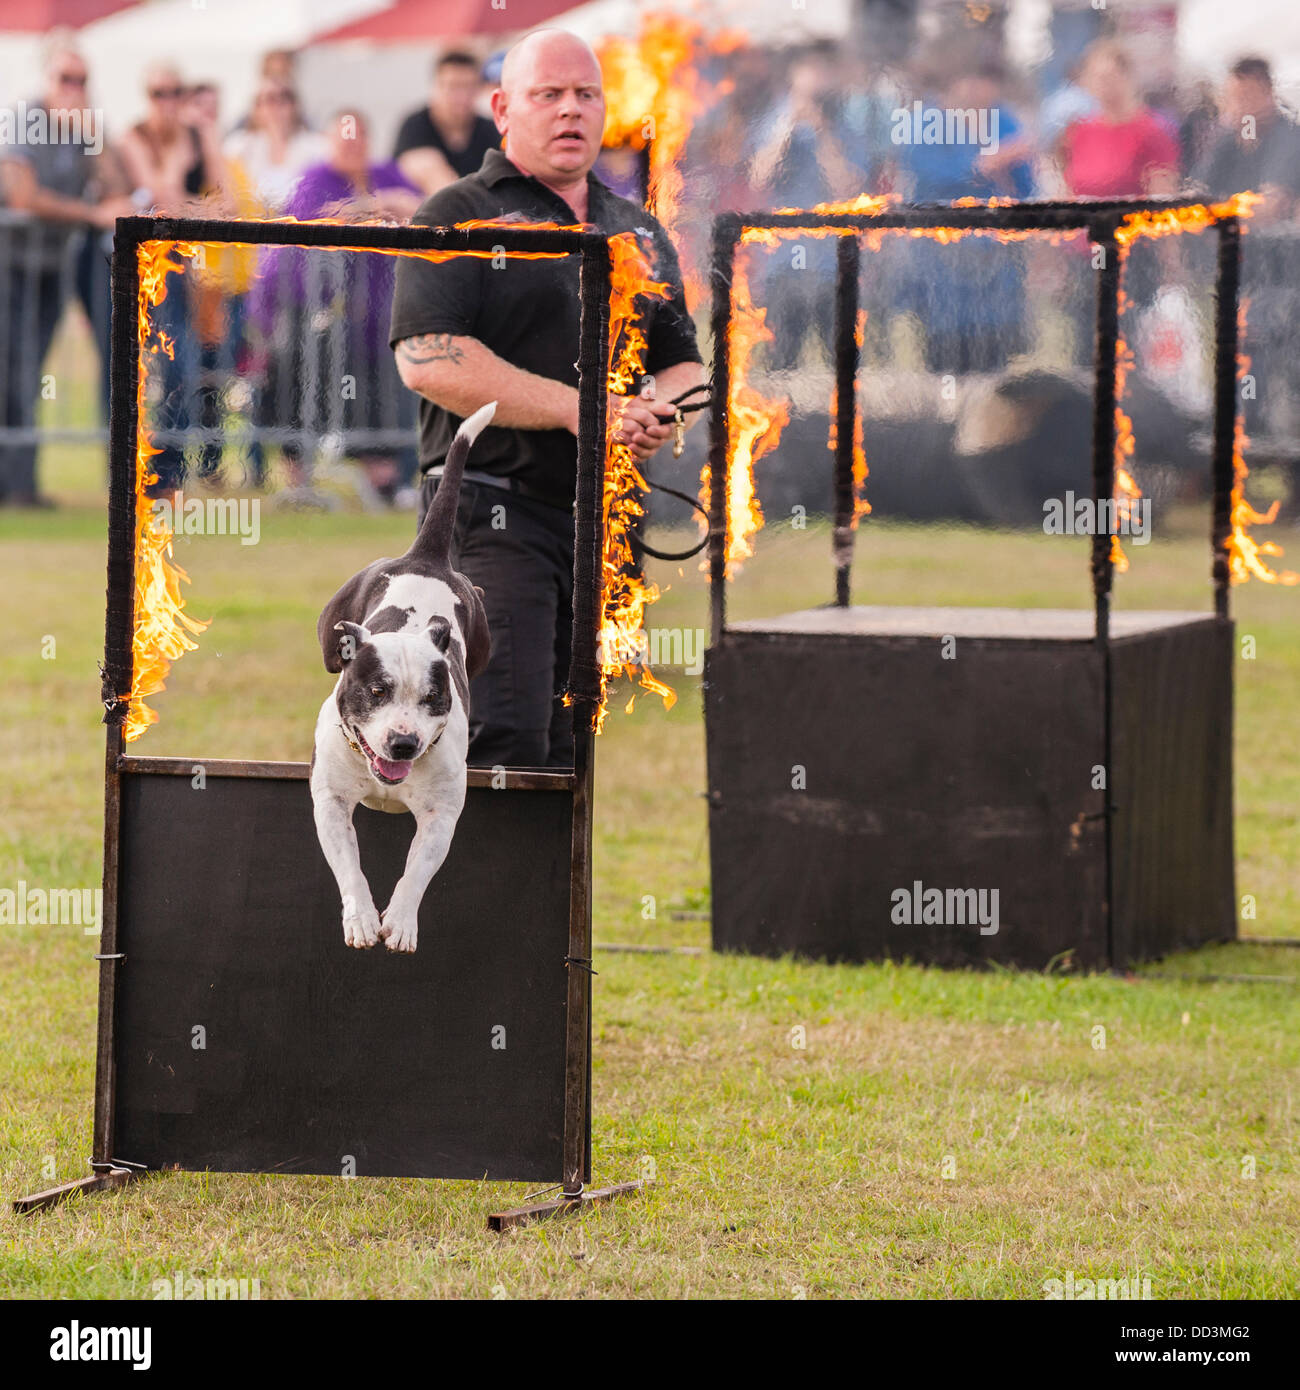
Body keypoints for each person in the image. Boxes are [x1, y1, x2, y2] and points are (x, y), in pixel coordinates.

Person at [389, 29, 706, 769]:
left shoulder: (637, 229)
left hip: (600, 520)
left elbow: (685, 365)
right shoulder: (456, 212)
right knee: (501, 739)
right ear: (503, 109)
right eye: (549, 95)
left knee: (572, 748)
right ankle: (471, 889)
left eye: (586, 96)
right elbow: (426, 358)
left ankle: (557, 892)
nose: (571, 111)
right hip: (491, 512)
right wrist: (585, 410)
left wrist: (652, 410)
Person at [252, 110, 421, 506]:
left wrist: (391, 202)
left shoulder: (386, 173)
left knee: (383, 391)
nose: (352, 145)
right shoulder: (315, 177)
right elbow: (318, 221)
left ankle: (387, 481)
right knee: (296, 381)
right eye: (345, 137)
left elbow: (424, 208)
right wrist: (376, 205)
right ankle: (299, 478)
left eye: (359, 137)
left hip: (377, 318)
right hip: (308, 313)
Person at [0, 42, 132, 506]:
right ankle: (14, 486)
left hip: (49, 270)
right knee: (8, 373)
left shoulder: (84, 130)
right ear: (46, 79)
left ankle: (20, 486)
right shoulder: (24, 121)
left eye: (81, 80)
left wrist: (94, 138)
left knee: (30, 374)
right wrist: (87, 214)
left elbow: (119, 192)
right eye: (65, 79)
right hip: (8, 265)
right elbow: (20, 194)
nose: (73, 90)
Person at [1195, 56, 1300, 211]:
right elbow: (1200, 190)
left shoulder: (1289, 138)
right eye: (1233, 98)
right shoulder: (1229, 140)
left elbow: (1273, 206)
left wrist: (1215, 214)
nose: (1238, 107)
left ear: (1268, 95)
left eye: (1246, 97)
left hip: (1279, 234)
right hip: (1231, 230)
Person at [393, 50, 499, 196]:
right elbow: (431, 175)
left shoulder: (490, 129)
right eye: (454, 86)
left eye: (469, 86)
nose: (462, 96)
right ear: (436, 86)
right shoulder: (415, 126)